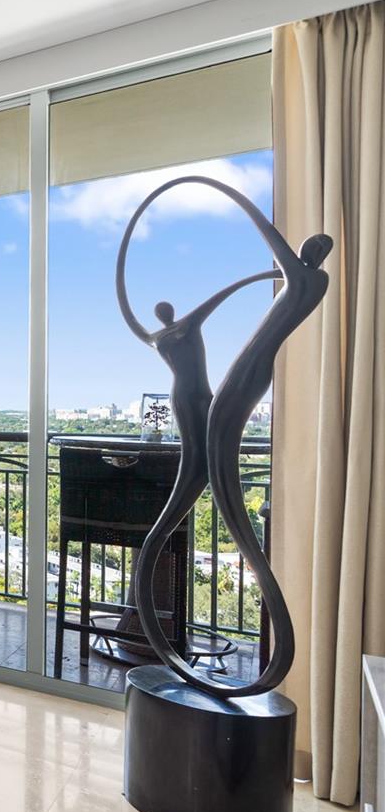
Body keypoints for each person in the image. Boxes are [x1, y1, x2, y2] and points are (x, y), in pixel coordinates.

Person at [114, 175, 317, 698]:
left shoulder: (173, 327)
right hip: (198, 400)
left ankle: (212, 642)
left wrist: (259, 275)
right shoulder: (164, 331)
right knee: (200, 478)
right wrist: (259, 274)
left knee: (207, 480)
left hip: (212, 394)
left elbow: (221, 296)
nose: (163, 311)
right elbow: (215, 297)